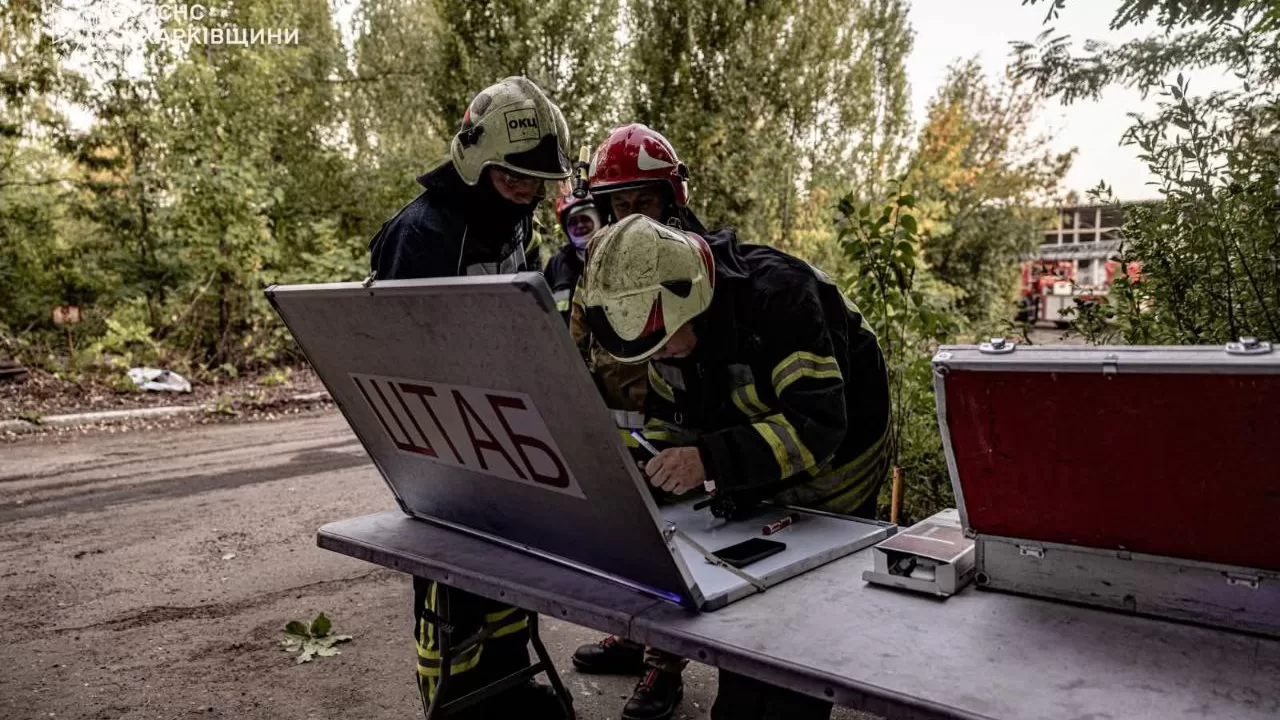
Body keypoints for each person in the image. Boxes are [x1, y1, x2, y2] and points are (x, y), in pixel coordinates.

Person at [579, 212, 893, 720]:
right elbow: (671, 423)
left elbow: (819, 427)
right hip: (754, 461)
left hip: (839, 466)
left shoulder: (782, 299)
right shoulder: (663, 323)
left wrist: (709, 459)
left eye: (666, 345)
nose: (661, 358)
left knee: (802, 618)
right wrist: (644, 468)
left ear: (693, 302)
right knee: (749, 606)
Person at [367, 76, 573, 720]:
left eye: (538, 184)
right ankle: (455, 702)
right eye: (515, 179)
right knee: (454, 586)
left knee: (515, 568)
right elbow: (391, 362)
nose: (527, 195)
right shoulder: (422, 234)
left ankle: (509, 685)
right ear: (475, 159)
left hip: (504, 428)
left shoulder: (511, 223)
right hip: (441, 439)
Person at [566, 124, 715, 720]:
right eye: (618, 204)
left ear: (671, 202)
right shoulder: (598, 267)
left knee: (674, 546)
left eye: (643, 202)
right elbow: (574, 342)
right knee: (627, 540)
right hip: (616, 427)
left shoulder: (692, 268)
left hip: (675, 431)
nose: (630, 217)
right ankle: (629, 635)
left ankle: (664, 664)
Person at [543, 192, 600, 322]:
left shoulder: (617, 255)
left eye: (585, 219)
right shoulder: (557, 264)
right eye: (573, 222)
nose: (579, 225)